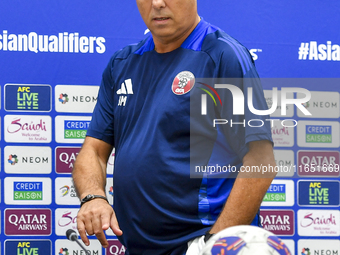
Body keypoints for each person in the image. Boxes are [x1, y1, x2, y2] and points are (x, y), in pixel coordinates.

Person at [72, 0, 277, 254]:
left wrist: (214, 244)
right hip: (138, 245)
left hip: (199, 241)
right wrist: (93, 196)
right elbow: (93, 151)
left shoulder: (222, 55)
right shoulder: (122, 63)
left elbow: (260, 161)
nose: (157, 3)